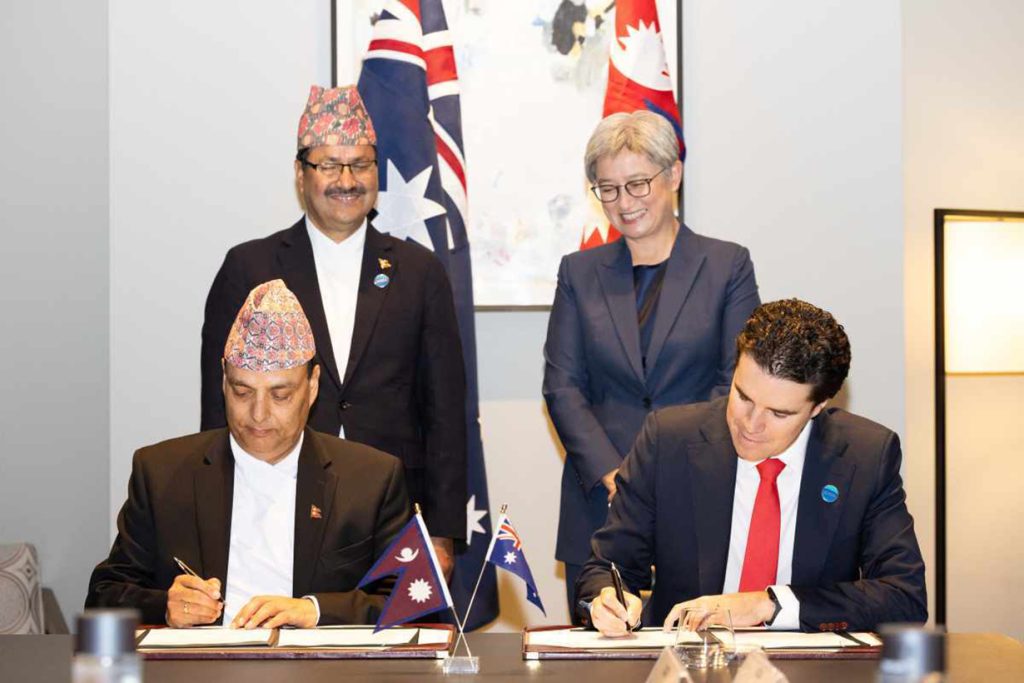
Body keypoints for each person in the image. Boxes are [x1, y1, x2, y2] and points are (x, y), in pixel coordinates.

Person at [200, 85, 466, 575]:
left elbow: (446, 413)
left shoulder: (420, 272)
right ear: (301, 173)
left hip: (395, 511)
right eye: (329, 165)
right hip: (274, 503)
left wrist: (443, 533)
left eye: (360, 164)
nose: (347, 180)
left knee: (383, 624)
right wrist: (216, 518)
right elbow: (221, 407)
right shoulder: (248, 267)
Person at [578, 299, 927, 635]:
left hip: (810, 663)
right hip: (689, 659)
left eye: (779, 413)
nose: (751, 424)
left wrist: (768, 604)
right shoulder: (669, 440)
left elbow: (904, 597)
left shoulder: (865, 456)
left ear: (818, 406)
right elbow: (607, 568)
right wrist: (607, 601)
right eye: (743, 396)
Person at [87, 280, 411, 627]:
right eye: (242, 392)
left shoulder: (370, 479)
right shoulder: (162, 473)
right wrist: (164, 605)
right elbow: (103, 596)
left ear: (313, 385)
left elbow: (413, 599)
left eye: (280, 395)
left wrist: (316, 610)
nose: (258, 414)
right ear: (224, 382)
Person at [543, 110, 760, 610]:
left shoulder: (727, 265)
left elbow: (737, 380)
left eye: (638, 183)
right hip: (599, 505)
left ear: (673, 175)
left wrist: (668, 473)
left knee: (702, 646)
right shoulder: (578, 273)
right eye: (609, 189)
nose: (625, 202)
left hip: (700, 492)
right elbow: (562, 387)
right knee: (599, 648)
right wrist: (616, 476)